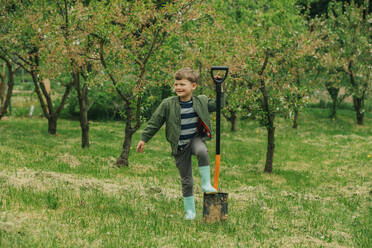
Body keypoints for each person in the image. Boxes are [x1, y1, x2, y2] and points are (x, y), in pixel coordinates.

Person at [136, 67, 224, 220]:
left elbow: (218, 105)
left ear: (193, 86)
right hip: (179, 146)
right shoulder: (168, 104)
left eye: (182, 84)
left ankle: (206, 184)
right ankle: (190, 212)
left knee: (202, 151)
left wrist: (219, 88)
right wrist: (144, 138)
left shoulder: (201, 101)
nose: (178, 87)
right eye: (176, 84)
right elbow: (155, 121)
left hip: (195, 139)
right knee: (187, 181)